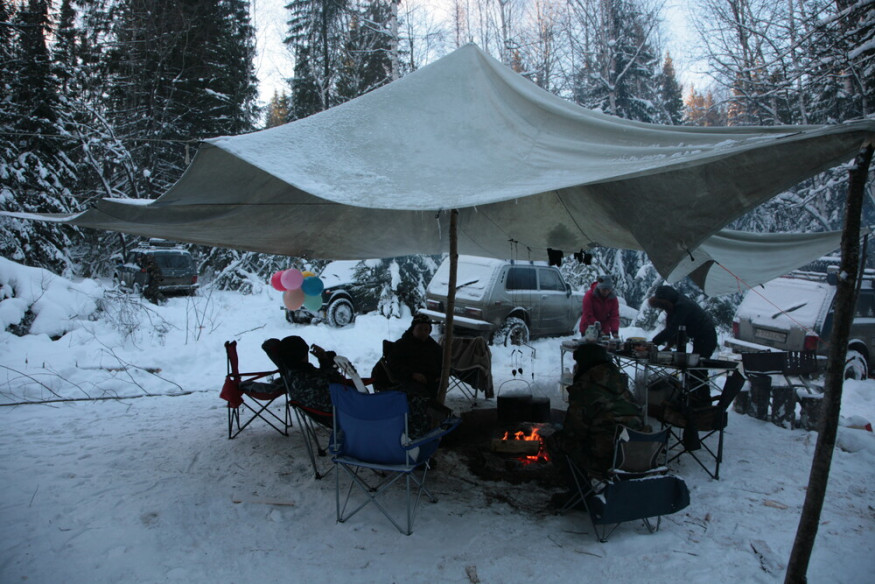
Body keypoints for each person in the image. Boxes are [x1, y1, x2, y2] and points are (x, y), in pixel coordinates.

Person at [548, 343, 644, 482]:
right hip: (637, 455)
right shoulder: (620, 386)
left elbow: (573, 432)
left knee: (556, 441)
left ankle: (579, 492)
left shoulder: (585, 389)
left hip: (608, 459)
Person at [648, 285, 718, 408]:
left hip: (707, 337)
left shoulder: (682, 306)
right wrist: (668, 346)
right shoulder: (676, 304)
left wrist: (653, 342)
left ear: (667, 301)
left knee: (697, 371)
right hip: (700, 337)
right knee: (694, 371)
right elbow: (674, 328)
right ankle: (694, 403)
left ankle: (703, 405)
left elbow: (673, 329)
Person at [385, 313, 449, 438]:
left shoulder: (434, 348)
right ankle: (416, 433)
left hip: (430, 383)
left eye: (426, 329)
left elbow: (444, 365)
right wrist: (412, 374)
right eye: (420, 329)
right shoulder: (402, 345)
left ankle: (436, 429)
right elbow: (393, 365)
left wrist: (441, 376)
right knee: (420, 401)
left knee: (434, 405)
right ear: (413, 329)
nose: (424, 332)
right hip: (407, 382)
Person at [262, 335, 343, 413]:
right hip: (340, 415)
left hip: (321, 414)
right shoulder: (309, 380)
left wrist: (324, 360)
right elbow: (337, 382)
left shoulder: (291, 377)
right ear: (302, 355)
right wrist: (325, 359)